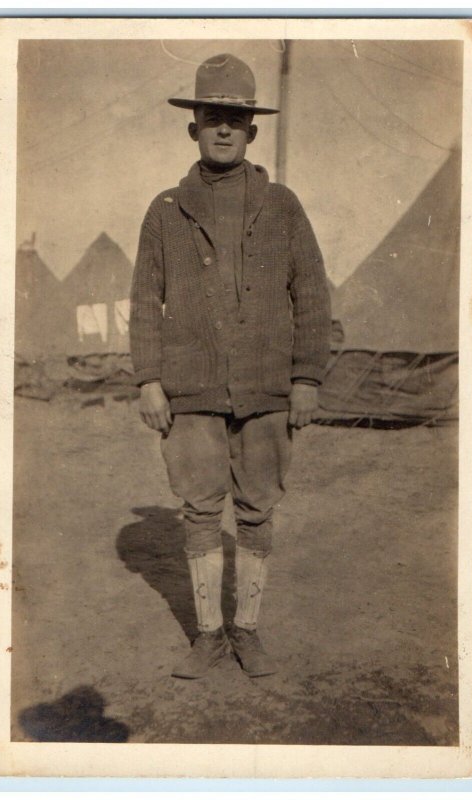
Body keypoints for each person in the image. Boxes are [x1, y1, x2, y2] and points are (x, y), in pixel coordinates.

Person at [130, 53, 331, 679]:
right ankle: (209, 637)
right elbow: (143, 299)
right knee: (198, 509)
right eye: (212, 117)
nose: (224, 129)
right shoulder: (166, 210)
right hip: (189, 390)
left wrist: (305, 377)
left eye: (236, 119)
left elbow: (313, 294)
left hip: (268, 386)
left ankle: (247, 631)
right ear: (193, 127)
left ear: (252, 130)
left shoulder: (283, 205)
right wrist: (149, 379)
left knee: (257, 508)